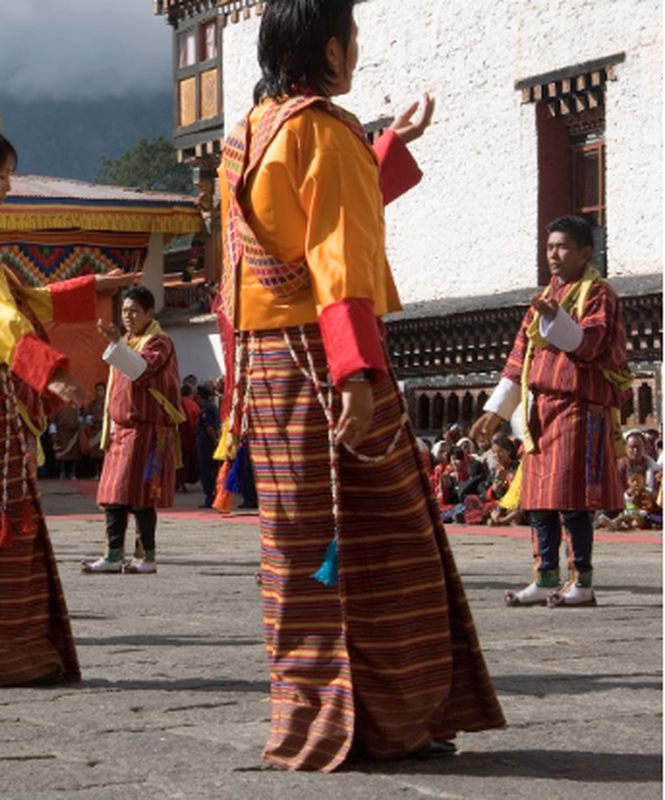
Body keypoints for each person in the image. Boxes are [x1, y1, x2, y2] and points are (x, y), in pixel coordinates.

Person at [218, 0, 503, 770]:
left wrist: (385, 149)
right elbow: (336, 257)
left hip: (271, 368)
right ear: (332, 47)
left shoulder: (250, 132)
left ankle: (317, 714)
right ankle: (386, 720)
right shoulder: (324, 130)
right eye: (354, 39)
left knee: (300, 542)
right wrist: (356, 374)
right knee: (384, 538)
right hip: (327, 362)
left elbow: (291, 229)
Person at [0, 126, 136, 690]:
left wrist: (93, 284)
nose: (8, 186)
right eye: (1, 174)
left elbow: (25, 298)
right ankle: (3, 654)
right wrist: (49, 369)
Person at [472, 215, 632, 607]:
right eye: (549, 248)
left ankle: (583, 582)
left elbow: (590, 345)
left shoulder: (598, 294)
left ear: (585, 253)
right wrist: (494, 410)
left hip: (579, 408)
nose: (554, 255)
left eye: (562, 247)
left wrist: (554, 318)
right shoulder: (545, 296)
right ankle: (545, 578)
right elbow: (518, 358)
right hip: (539, 411)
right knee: (538, 499)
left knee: (571, 498)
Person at [84, 286, 183, 574]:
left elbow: (141, 370)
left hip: (146, 429)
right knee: (111, 495)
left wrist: (118, 345)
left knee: (140, 496)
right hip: (121, 431)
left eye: (134, 311)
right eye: (124, 311)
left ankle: (147, 557)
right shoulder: (127, 341)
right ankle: (113, 555)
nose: (127, 316)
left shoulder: (159, 342)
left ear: (149, 313)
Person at [195, 385, 221, 508]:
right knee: (212, 469)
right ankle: (213, 495)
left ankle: (210, 497)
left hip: (206, 441)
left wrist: (215, 438)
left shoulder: (206, 408)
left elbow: (209, 427)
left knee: (206, 470)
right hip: (210, 440)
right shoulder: (212, 406)